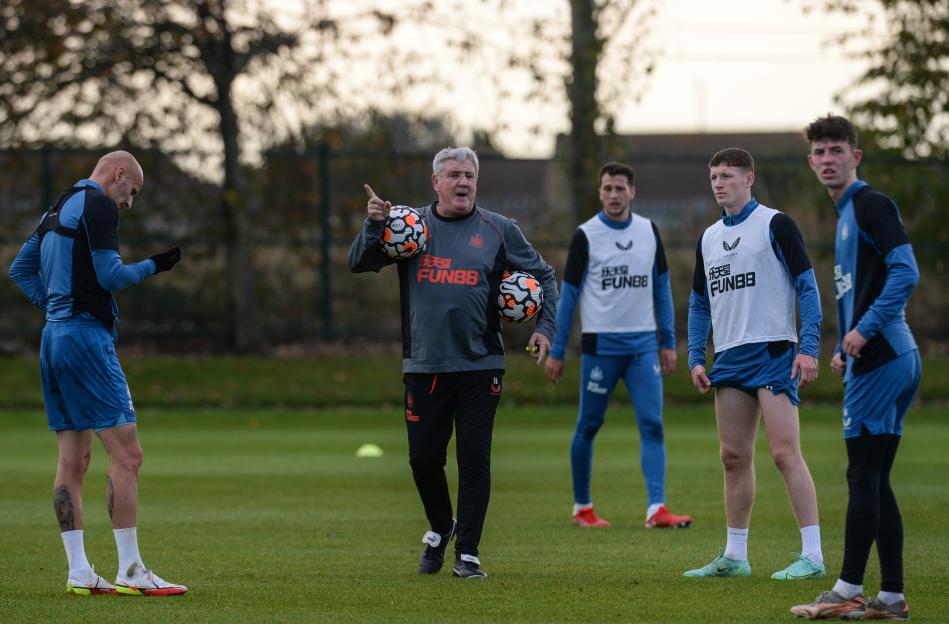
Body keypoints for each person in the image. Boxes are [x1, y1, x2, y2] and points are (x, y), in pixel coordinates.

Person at [348, 146, 558, 579]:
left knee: (474, 458)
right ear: (436, 182)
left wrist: (545, 328)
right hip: (424, 365)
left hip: (481, 366)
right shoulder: (409, 227)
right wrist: (373, 226)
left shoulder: (500, 230)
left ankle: (468, 552)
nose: (463, 182)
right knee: (423, 461)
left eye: (469, 175)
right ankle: (442, 527)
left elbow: (546, 277)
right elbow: (359, 263)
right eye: (454, 175)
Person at [8, 151, 187, 596]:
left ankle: (80, 572)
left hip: (53, 339)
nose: (129, 202)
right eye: (133, 192)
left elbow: (20, 269)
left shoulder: (61, 204)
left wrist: (54, 307)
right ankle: (130, 570)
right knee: (128, 456)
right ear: (119, 173)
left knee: (74, 460)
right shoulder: (99, 205)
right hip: (86, 340)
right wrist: (155, 265)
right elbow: (110, 276)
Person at [790, 116, 920, 620]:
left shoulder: (870, 205)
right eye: (819, 152)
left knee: (861, 474)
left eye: (836, 150)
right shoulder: (846, 213)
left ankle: (846, 591)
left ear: (855, 156)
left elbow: (906, 271)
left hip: (885, 356)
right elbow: (864, 289)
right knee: (876, 477)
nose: (827, 159)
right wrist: (848, 344)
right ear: (811, 161)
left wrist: (863, 333)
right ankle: (890, 598)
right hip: (886, 354)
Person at [683, 147, 825, 580]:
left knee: (784, 453)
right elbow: (698, 304)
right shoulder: (708, 238)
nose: (718, 183)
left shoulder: (775, 224)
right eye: (713, 177)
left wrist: (810, 346)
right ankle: (735, 555)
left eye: (726, 175)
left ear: (749, 179)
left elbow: (807, 286)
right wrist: (695, 355)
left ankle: (814, 556)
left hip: (773, 352)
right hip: (728, 357)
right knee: (732, 456)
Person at [544, 162, 692, 530]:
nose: (614, 195)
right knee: (588, 425)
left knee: (653, 424)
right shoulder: (586, 235)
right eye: (607, 188)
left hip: (643, 347)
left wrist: (668, 342)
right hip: (600, 348)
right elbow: (569, 297)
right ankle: (583, 508)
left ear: (632, 192)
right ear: (600, 192)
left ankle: (656, 509)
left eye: (620, 188)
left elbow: (661, 288)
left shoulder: (648, 231)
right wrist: (558, 350)